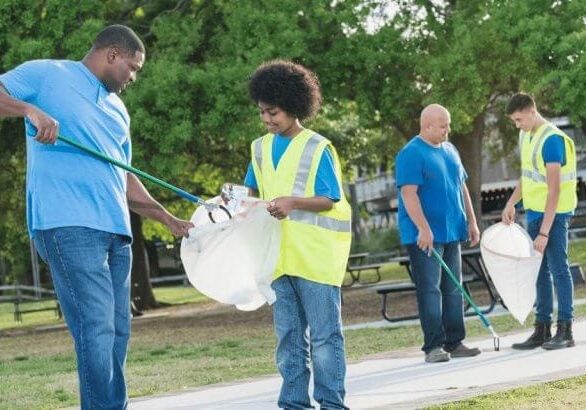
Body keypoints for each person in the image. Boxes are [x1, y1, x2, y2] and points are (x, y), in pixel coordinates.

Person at [0, 25, 193, 409]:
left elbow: (123, 176)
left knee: (118, 330)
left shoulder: (118, 110)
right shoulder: (46, 74)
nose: (133, 78)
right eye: (132, 68)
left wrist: (169, 219)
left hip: (115, 232)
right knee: (97, 326)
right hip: (67, 224)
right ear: (112, 54)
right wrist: (29, 110)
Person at [243, 60, 351, 409]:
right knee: (288, 338)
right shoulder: (259, 148)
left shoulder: (317, 147)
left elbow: (329, 198)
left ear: (292, 105)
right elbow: (249, 193)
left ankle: (332, 404)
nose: (266, 119)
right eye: (262, 112)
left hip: (316, 259)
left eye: (272, 112)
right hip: (277, 258)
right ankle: (293, 403)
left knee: (324, 338)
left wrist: (292, 202)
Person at [395, 104, 481, 363]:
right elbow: (408, 195)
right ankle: (433, 346)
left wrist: (472, 222)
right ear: (427, 125)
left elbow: (462, 186)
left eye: (448, 125)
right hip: (425, 236)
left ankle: (455, 341)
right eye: (443, 126)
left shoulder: (451, 150)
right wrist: (423, 228)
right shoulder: (410, 153)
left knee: (454, 288)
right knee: (430, 290)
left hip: (452, 230)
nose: (448, 130)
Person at [503, 92, 577, 350]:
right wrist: (511, 203)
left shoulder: (552, 140)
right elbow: (528, 176)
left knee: (558, 269)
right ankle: (542, 329)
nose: (517, 125)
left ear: (532, 112)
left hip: (554, 215)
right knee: (538, 272)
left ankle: (565, 330)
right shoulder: (526, 135)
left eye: (519, 119)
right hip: (533, 212)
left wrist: (544, 232)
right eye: (514, 121)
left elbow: (554, 189)